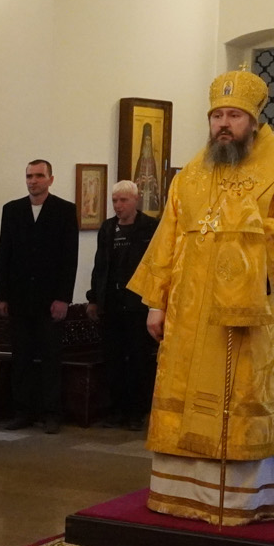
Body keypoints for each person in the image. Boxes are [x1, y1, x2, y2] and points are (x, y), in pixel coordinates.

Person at [129, 70, 274, 525]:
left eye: (234, 115)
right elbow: (168, 237)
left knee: (238, 395)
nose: (224, 124)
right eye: (217, 116)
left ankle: (240, 499)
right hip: (190, 316)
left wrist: (246, 234)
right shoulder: (190, 176)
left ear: (253, 121)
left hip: (245, 315)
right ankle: (179, 492)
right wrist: (156, 302)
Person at [0, 159, 78, 433]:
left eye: (39, 176)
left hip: (50, 299)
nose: (33, 181)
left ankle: (52, 413)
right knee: (22, 358)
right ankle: (23, 411)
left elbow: (69, 258)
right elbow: (4, 254)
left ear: (50, 179)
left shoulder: (64, 211)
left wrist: (63, 298)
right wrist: (1, 295)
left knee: (51, 358)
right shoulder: (12, 210)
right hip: (19, 298)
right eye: (29, 176)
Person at [86, 179, 159, 429]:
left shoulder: (150, 227)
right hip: (112, 303)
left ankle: (137, 412)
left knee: (138, 359)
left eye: (123, 200)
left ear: (136, 200)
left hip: (138, 304)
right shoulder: (107, 228)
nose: (118, 205)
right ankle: (116, 409)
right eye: (115, 201)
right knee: (114, 359)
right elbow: (99, 265)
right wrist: (93, 298)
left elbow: (157, 266)